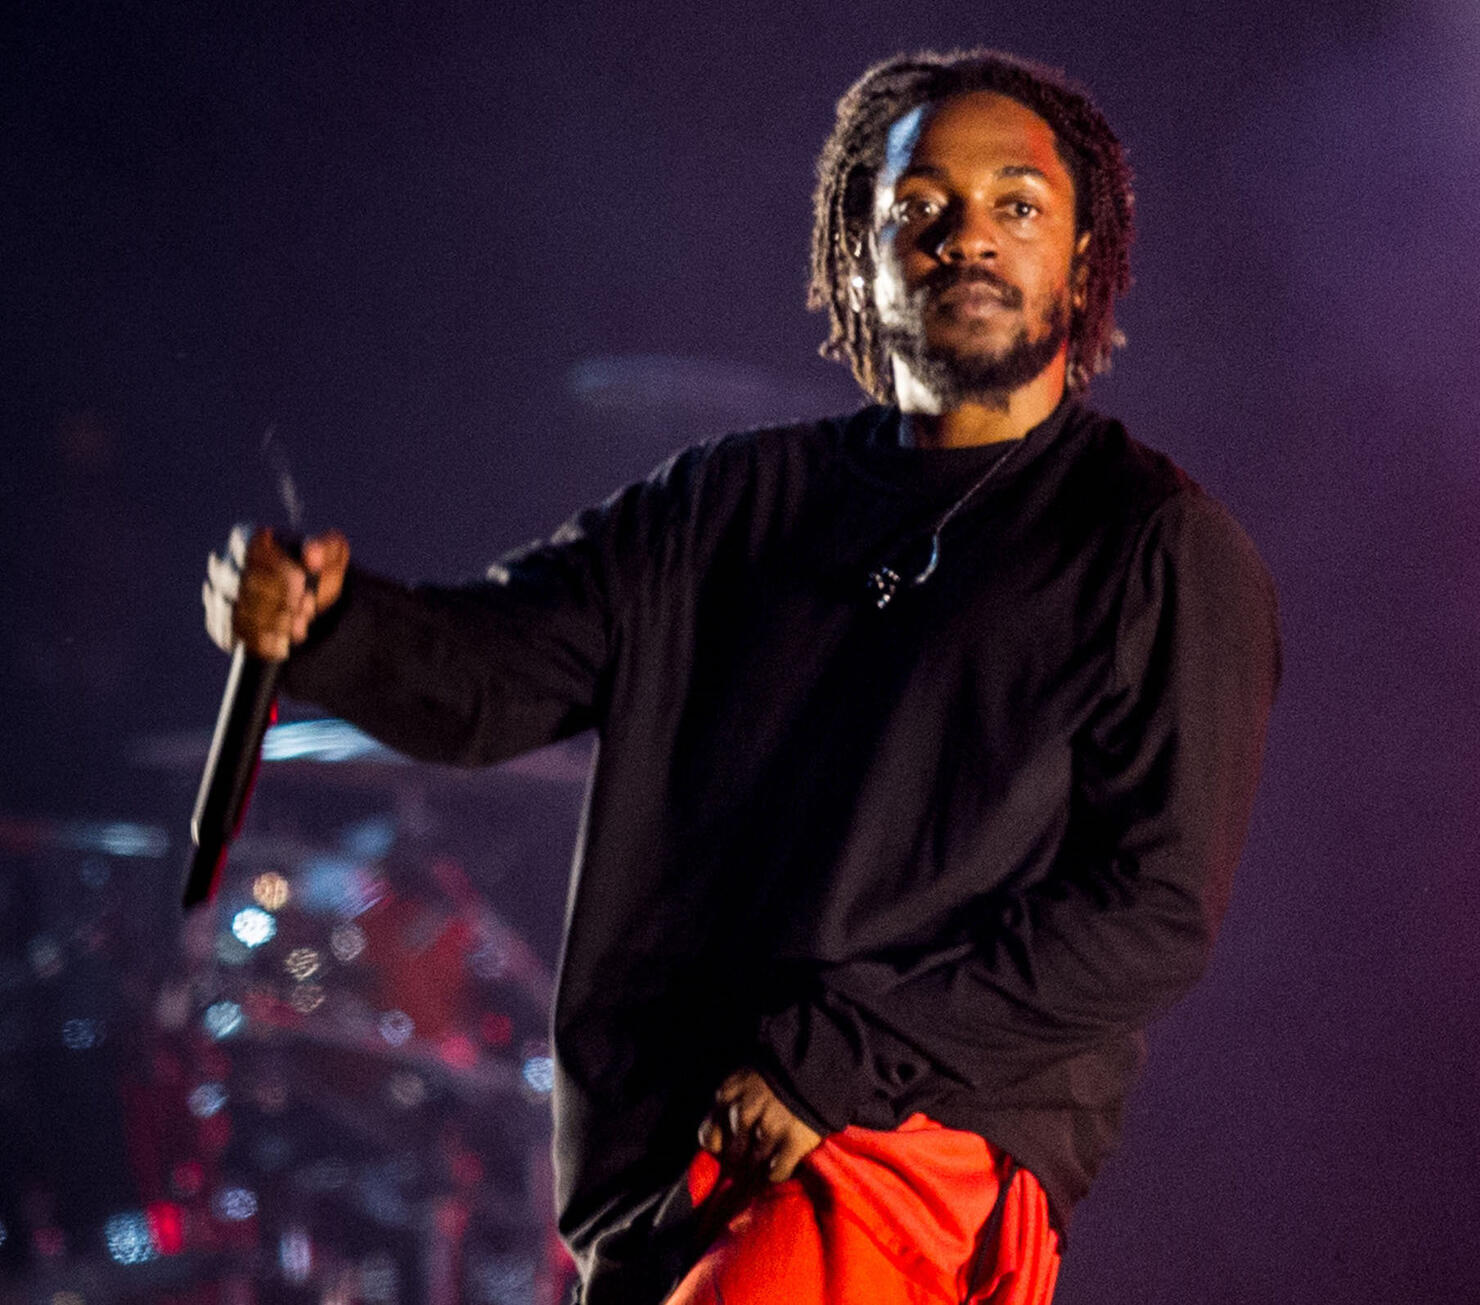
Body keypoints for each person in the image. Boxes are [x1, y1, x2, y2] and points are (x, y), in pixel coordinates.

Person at [204, 48, 1280, 1305]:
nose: (966, 238)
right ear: (857, 253)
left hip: (890, 1150)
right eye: (919, 207)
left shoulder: (1154, 545)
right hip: (670, 1151)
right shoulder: (726, 504)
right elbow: (492, 674)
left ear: (1083, 260)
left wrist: (843, 1057)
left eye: (1016, 205)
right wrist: (329, 623)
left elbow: (1147, 915)